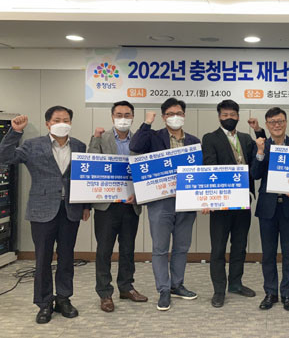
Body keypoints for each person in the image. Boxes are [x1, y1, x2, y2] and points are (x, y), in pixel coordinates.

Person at [0, 106, 90, 324]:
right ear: (48, 123)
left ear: (71, 123)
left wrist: (86, 205)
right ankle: (44, 303)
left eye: (66, 119)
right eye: (57, 120)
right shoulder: (33, 145)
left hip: (70, 209)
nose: (62, 123)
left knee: (67, 257)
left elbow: (84, 177)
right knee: (42, 258)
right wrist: (15, 132)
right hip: (42, 209)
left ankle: (64, 298)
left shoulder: (79, 145)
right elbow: (5, 156)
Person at [129, 98, 199, 311]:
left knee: (182, 247)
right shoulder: (153, 136)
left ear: (184, 115)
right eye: (170, 114)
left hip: (186, 201)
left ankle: (177, 285)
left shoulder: (194, 141)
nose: (175, 117)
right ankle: (163, 289)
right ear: (163, 117)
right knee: (160, 248)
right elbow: (135, 146)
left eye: (178, 113)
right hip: (160, 201)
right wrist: (146, 123)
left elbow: (199, 171)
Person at [88, 100, 147, 313]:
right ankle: (105, 293)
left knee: (128, 249)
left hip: (131, 204)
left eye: (127, 115)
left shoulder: (141, 141)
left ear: (133, 117)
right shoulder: (101, 138)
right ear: (112, 117)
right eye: (119, 115)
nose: (123, 119)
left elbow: (146, 172)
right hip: (107, 205)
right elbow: (91, 165)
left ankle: (126, 287)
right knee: (104, 250)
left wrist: (139, 195)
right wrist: (94, 138)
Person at [202, 99, 256, 308]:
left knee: (240, 245)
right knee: (218, 248)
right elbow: (209, 166)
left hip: (243, 201)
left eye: (233, 115)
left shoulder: (246, 138)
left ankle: (235, 283)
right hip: (221, 202)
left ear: (238, 116)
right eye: (225, 115)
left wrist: (258, 130)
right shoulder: (210, 138)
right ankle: (219, 290)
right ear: (219, 117)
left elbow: (258, 159)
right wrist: (209, 198)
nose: (229, 118)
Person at [249, 108, 289, 311]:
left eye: (280, 121)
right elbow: (255, 174)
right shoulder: (261, 145)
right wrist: (260, 152)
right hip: (268, 208)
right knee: (268, 254)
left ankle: (287, 294)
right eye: (272, 122)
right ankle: (270, 293)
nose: (277, 125)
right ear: (267, 125)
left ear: (286, 122)